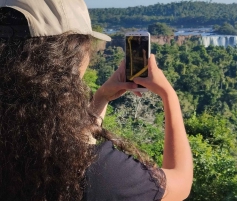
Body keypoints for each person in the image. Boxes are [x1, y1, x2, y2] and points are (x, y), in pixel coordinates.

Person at [0, 0, 193, 200]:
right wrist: (169, 95)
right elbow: (180, 182)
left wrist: (101, 98)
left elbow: (65, 135)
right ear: (72, 56)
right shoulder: (100, 173)